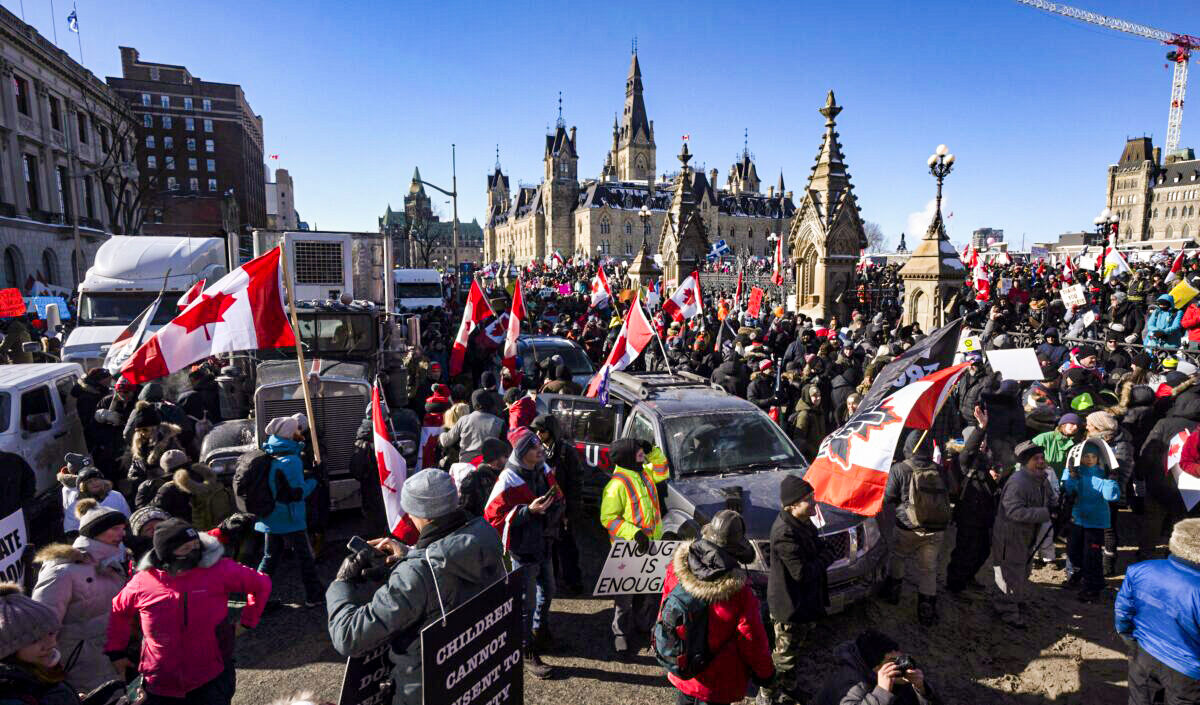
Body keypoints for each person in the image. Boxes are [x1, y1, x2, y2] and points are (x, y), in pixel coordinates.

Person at [326, 469, 506, 705]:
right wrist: (411, 555)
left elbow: (349, 637)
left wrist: (341, 584)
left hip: (425, 689)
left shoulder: (416, 574)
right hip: (473, 676)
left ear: (421, 515)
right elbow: (448, 562)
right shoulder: (484, 534)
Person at [105, 519, 272, 705]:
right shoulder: (142, 581)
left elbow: (261, 584)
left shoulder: (218, 569)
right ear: (165, 554)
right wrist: (116, 652)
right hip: (160, 683)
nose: (194, 553)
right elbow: (118, 610)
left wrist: (248, 622)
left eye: (196, 546)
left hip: (211, 678)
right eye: (185, 549)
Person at [660, 510, 775, 705]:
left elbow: (664, 609)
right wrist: (766, 674)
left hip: (682, 668)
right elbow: (752, 640)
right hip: (716, 682)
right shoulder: (739, 593)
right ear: (736, 550)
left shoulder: (676, 569)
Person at [483, 429, 563, 679]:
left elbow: (558, 496)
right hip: (523, 551)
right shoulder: (508, 479)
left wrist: (554, 510)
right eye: (533, 446)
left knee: (548, 591)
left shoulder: (544, 469)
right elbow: (492, 517)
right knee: (526, 604)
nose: (540, 449)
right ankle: (526, 650)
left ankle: (540, 633)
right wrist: (528, 511)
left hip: (544, 546)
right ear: (521, 452)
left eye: (539, 444)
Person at [30, 500, 129, 694]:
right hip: (80, 668)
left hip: (111, 660)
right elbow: (43, 626)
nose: (122, 534)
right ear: (95, 532)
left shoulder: (111, 565)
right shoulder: (61, 572)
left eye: (123, 528)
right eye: (115, 529)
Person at [760, 477, 830, 705]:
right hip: (789, 607)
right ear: (792, 505)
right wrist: (826, 557)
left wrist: (822, 552)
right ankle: (766, 695)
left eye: (812, 497)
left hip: (804, 603)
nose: (814, 502)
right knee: (783, 658)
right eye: (808, 500)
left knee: (795, 653)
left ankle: (789, 688)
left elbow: (816, 546)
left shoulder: (802, 521)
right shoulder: (784, 532)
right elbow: (802, 573)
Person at [1115, 518, 1200, 704]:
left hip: (1144, 652)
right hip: (1187, 671)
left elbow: (1123, 611)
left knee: (1140, 700)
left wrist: (1129, 639)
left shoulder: (1140, 570)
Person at [599, 438, 669, 656]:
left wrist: (652, 451)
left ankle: (642, 625)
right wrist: (635, 533)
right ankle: (620, 633)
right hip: (629, 549)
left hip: (651, 545)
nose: (641, 453)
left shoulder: (645, 472)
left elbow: (662, 470)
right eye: (638, 451)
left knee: (646, 591)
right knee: (624, 598)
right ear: (627, 457)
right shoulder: (617, 484)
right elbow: (608, 518)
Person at [881, 431, 952, 626]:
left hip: (907, 526)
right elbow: (951, 491)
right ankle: (926, 609)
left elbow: (888, 498)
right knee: (929, 569)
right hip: (935, 528)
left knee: (898, 556)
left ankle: (893, 593)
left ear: (907, 447)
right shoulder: (939, 469)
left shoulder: (900, 468)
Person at [254, 415, 322, 609]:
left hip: (270, 516)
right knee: (305, 559)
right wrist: (315, 479)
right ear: (290, 433)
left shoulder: (270, 452)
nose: (300, 432)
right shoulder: (291, 460)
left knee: (269, 558)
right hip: (289, 517)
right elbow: (297, 493)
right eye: (297, 430)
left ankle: (257, 600)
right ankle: (314, 596)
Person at [991, 441, 1052, 628]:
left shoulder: (1041, 478)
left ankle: (1013, 600)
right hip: (1010, 535)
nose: (1041, 462)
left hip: (1027, 534)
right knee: (1009, 573)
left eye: (1042, 458)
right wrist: (1046, 513)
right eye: (1036, 459)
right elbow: (1014, 512)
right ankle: (1007, 611)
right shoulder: (1018, 482)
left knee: (1023, 570)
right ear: (1026, 462)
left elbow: (1048, 499)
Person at [946, 411, 1000, 595]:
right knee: (964, 551)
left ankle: (969, 576)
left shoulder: (987, 461)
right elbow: (969, 448)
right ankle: (955, 585)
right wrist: (981, 428)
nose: (983, 443)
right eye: (980, 440)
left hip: (985, 514)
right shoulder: (964, 460)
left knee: (983, 549)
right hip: (968, 513)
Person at [0, 583, 79, 705]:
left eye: (51, 633)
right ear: (7, 649)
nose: (51, 643)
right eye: (34, 640)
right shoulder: (9, 693)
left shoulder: (39, 672)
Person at [1060, 441, 1120, 602]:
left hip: (1096, 521)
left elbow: (1111, 496)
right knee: (1073, 551)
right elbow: (1068, 490)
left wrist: (1111, 480)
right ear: (1080, 457)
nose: (1090, 459)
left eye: (1093, 456)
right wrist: (1071, 476)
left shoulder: (1101, 473)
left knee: (1091, 555)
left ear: (1098, 457)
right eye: (1086, 456)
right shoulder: (1075, 472)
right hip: (1077, 518)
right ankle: (1077, 575)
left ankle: (1093, 587)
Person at [814, 630, 941, 705]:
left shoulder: (897, 678)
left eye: (899, 657)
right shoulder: (850, 682)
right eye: (892, 661)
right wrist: (881, 693)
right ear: (876, 668)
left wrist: (922, 690)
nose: (898, 665)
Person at [58, 460, 130, 538]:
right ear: (84, 486)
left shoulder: (116, 495)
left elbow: (127, 518)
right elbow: (71, 530)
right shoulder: (76, 505)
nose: (94, 483)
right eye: (89, 482)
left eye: (96, 479)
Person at [439, 389, 503, 463]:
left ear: (474, 403)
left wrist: (442, 432)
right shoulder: (500, 422)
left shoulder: (464, 420)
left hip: (465, 464)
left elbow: (445, 441)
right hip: (489, 464)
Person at [456, 437, 507, 518]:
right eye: (492, 459)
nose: (497, 461)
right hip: (483, 523)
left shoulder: (508, 474)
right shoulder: (474, 478)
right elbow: (465, 509)